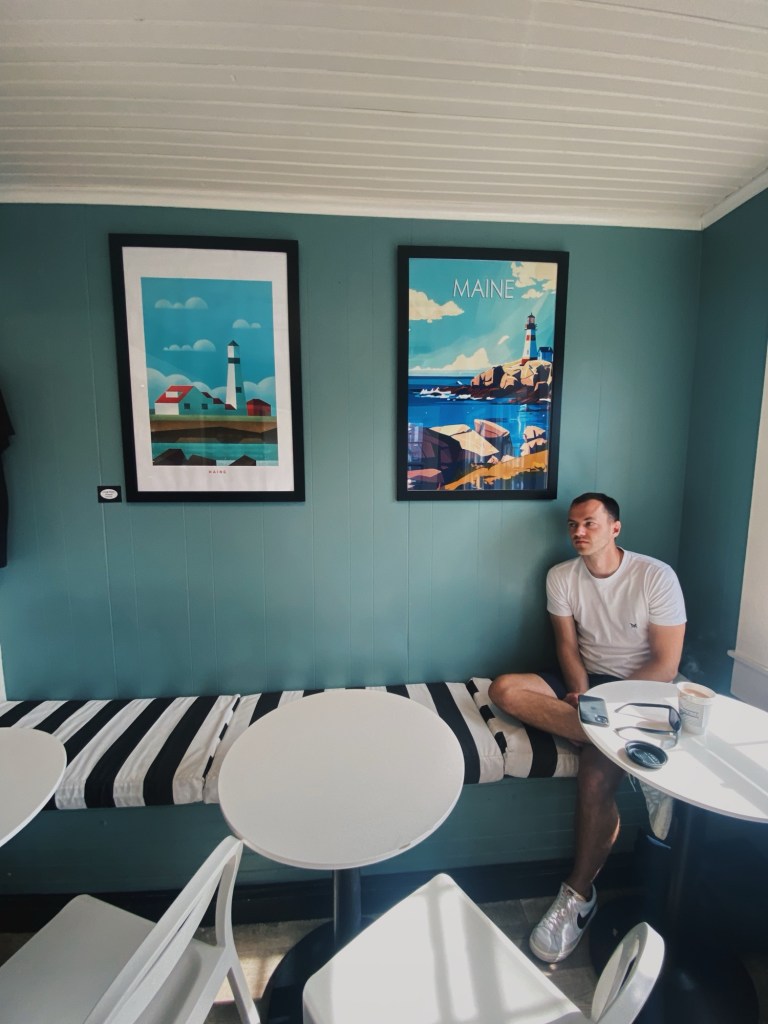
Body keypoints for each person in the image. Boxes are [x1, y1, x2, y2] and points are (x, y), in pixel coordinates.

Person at [489, 492, 685, 963]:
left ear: (615, 528)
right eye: (573, 525)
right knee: (504, 689)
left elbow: (665, 664)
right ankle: (630, 752)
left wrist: (605, 703)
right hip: (589, 684)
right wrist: (582, 696)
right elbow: (568, 648)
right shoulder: (561, 576)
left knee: (595, 781)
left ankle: (577, 897)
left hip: (643, 689)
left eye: (590, 523)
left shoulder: (654, 576)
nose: (578, 532)